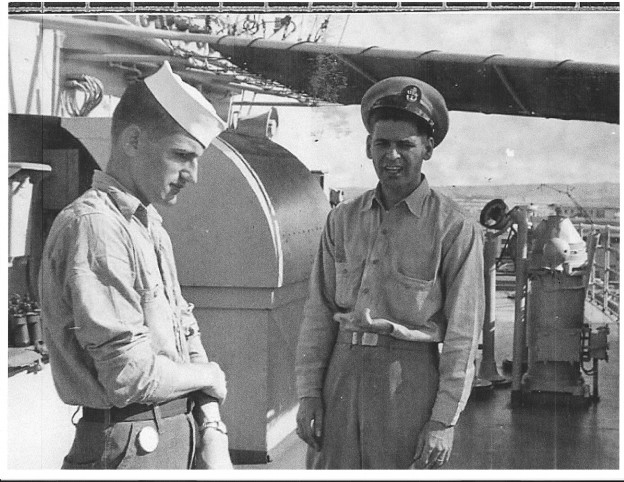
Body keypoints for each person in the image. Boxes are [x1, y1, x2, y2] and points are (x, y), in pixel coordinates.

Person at [40, 61, 232, 470]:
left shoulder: (149, 226)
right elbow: (129, 376)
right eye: (182, 155)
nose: (192, 176)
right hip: (130, 447)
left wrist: (212, 427)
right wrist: (209, 376)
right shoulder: (95, 227)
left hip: (175, 436)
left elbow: (185, 330)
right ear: (132, 141)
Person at [295, 76, 485, 470]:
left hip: (409, 381)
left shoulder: (453, 228)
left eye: (406, 145)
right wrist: (310, 392)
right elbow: (319, 313)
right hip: (341, 376)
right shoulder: (342, 220)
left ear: (427, 149)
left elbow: (463, 335)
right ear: (368, 146)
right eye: (382, 144)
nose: (392, 156)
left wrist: (442, 420)